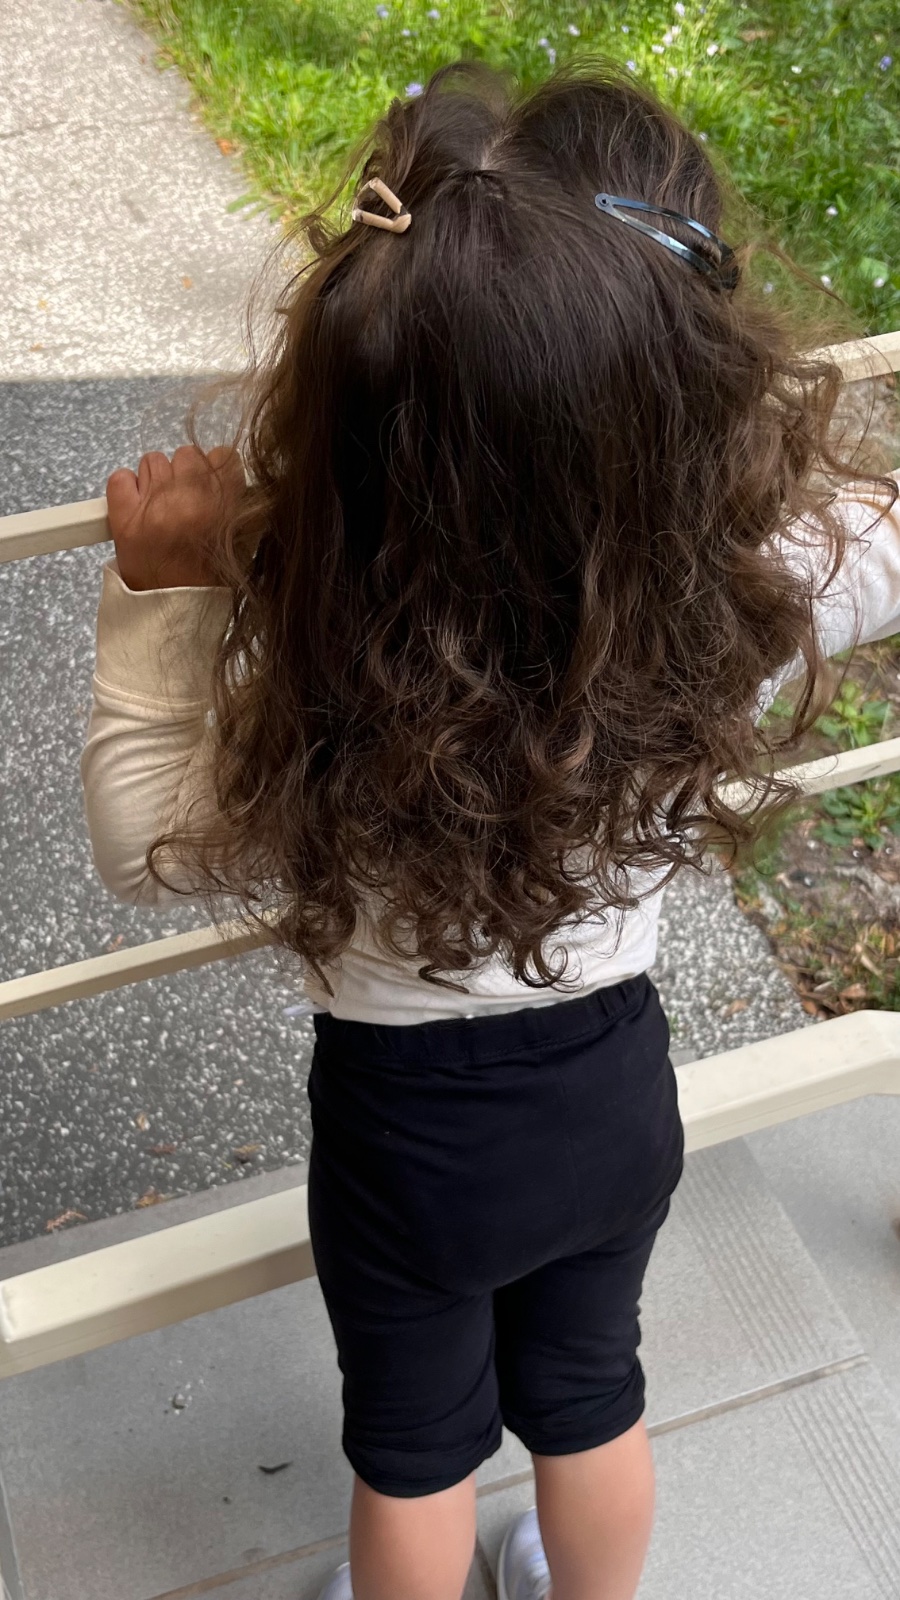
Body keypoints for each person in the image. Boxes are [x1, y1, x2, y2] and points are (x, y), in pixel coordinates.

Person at [81, 60, 899, 1600]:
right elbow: (875, 545)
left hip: (409, 1137)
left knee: (414, 1455)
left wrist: (167, 591)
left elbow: (140, 842)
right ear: (685, 417)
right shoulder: (721, 612)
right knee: (595, 1399)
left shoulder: (324, 687)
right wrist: (726, 491)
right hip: (616, 1095)